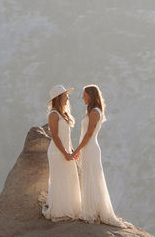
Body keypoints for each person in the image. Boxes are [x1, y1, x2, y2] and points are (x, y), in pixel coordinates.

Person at [74, 84, 124, 226]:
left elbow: (89, 134)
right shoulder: (91, 111)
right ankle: (90, 208)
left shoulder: (95, 112)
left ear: (91, 95)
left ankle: (90, 211)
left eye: (84, 94)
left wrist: (76, 150)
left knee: (91, 177)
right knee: (89, 177)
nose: (82, 97)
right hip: (88, 148)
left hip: (90, 148)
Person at [42, 84, 81, 221]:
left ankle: (70, 207)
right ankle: (59, 210)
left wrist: (72, 150)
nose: (68, 98)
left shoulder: (63, 114)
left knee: (70, 178)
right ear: (59, 98)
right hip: (57, 153)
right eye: (65, 95)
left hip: (65, 150)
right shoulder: (53, 114)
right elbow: (55, 136)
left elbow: (67, 136)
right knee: (60, 179)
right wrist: (65, 153)